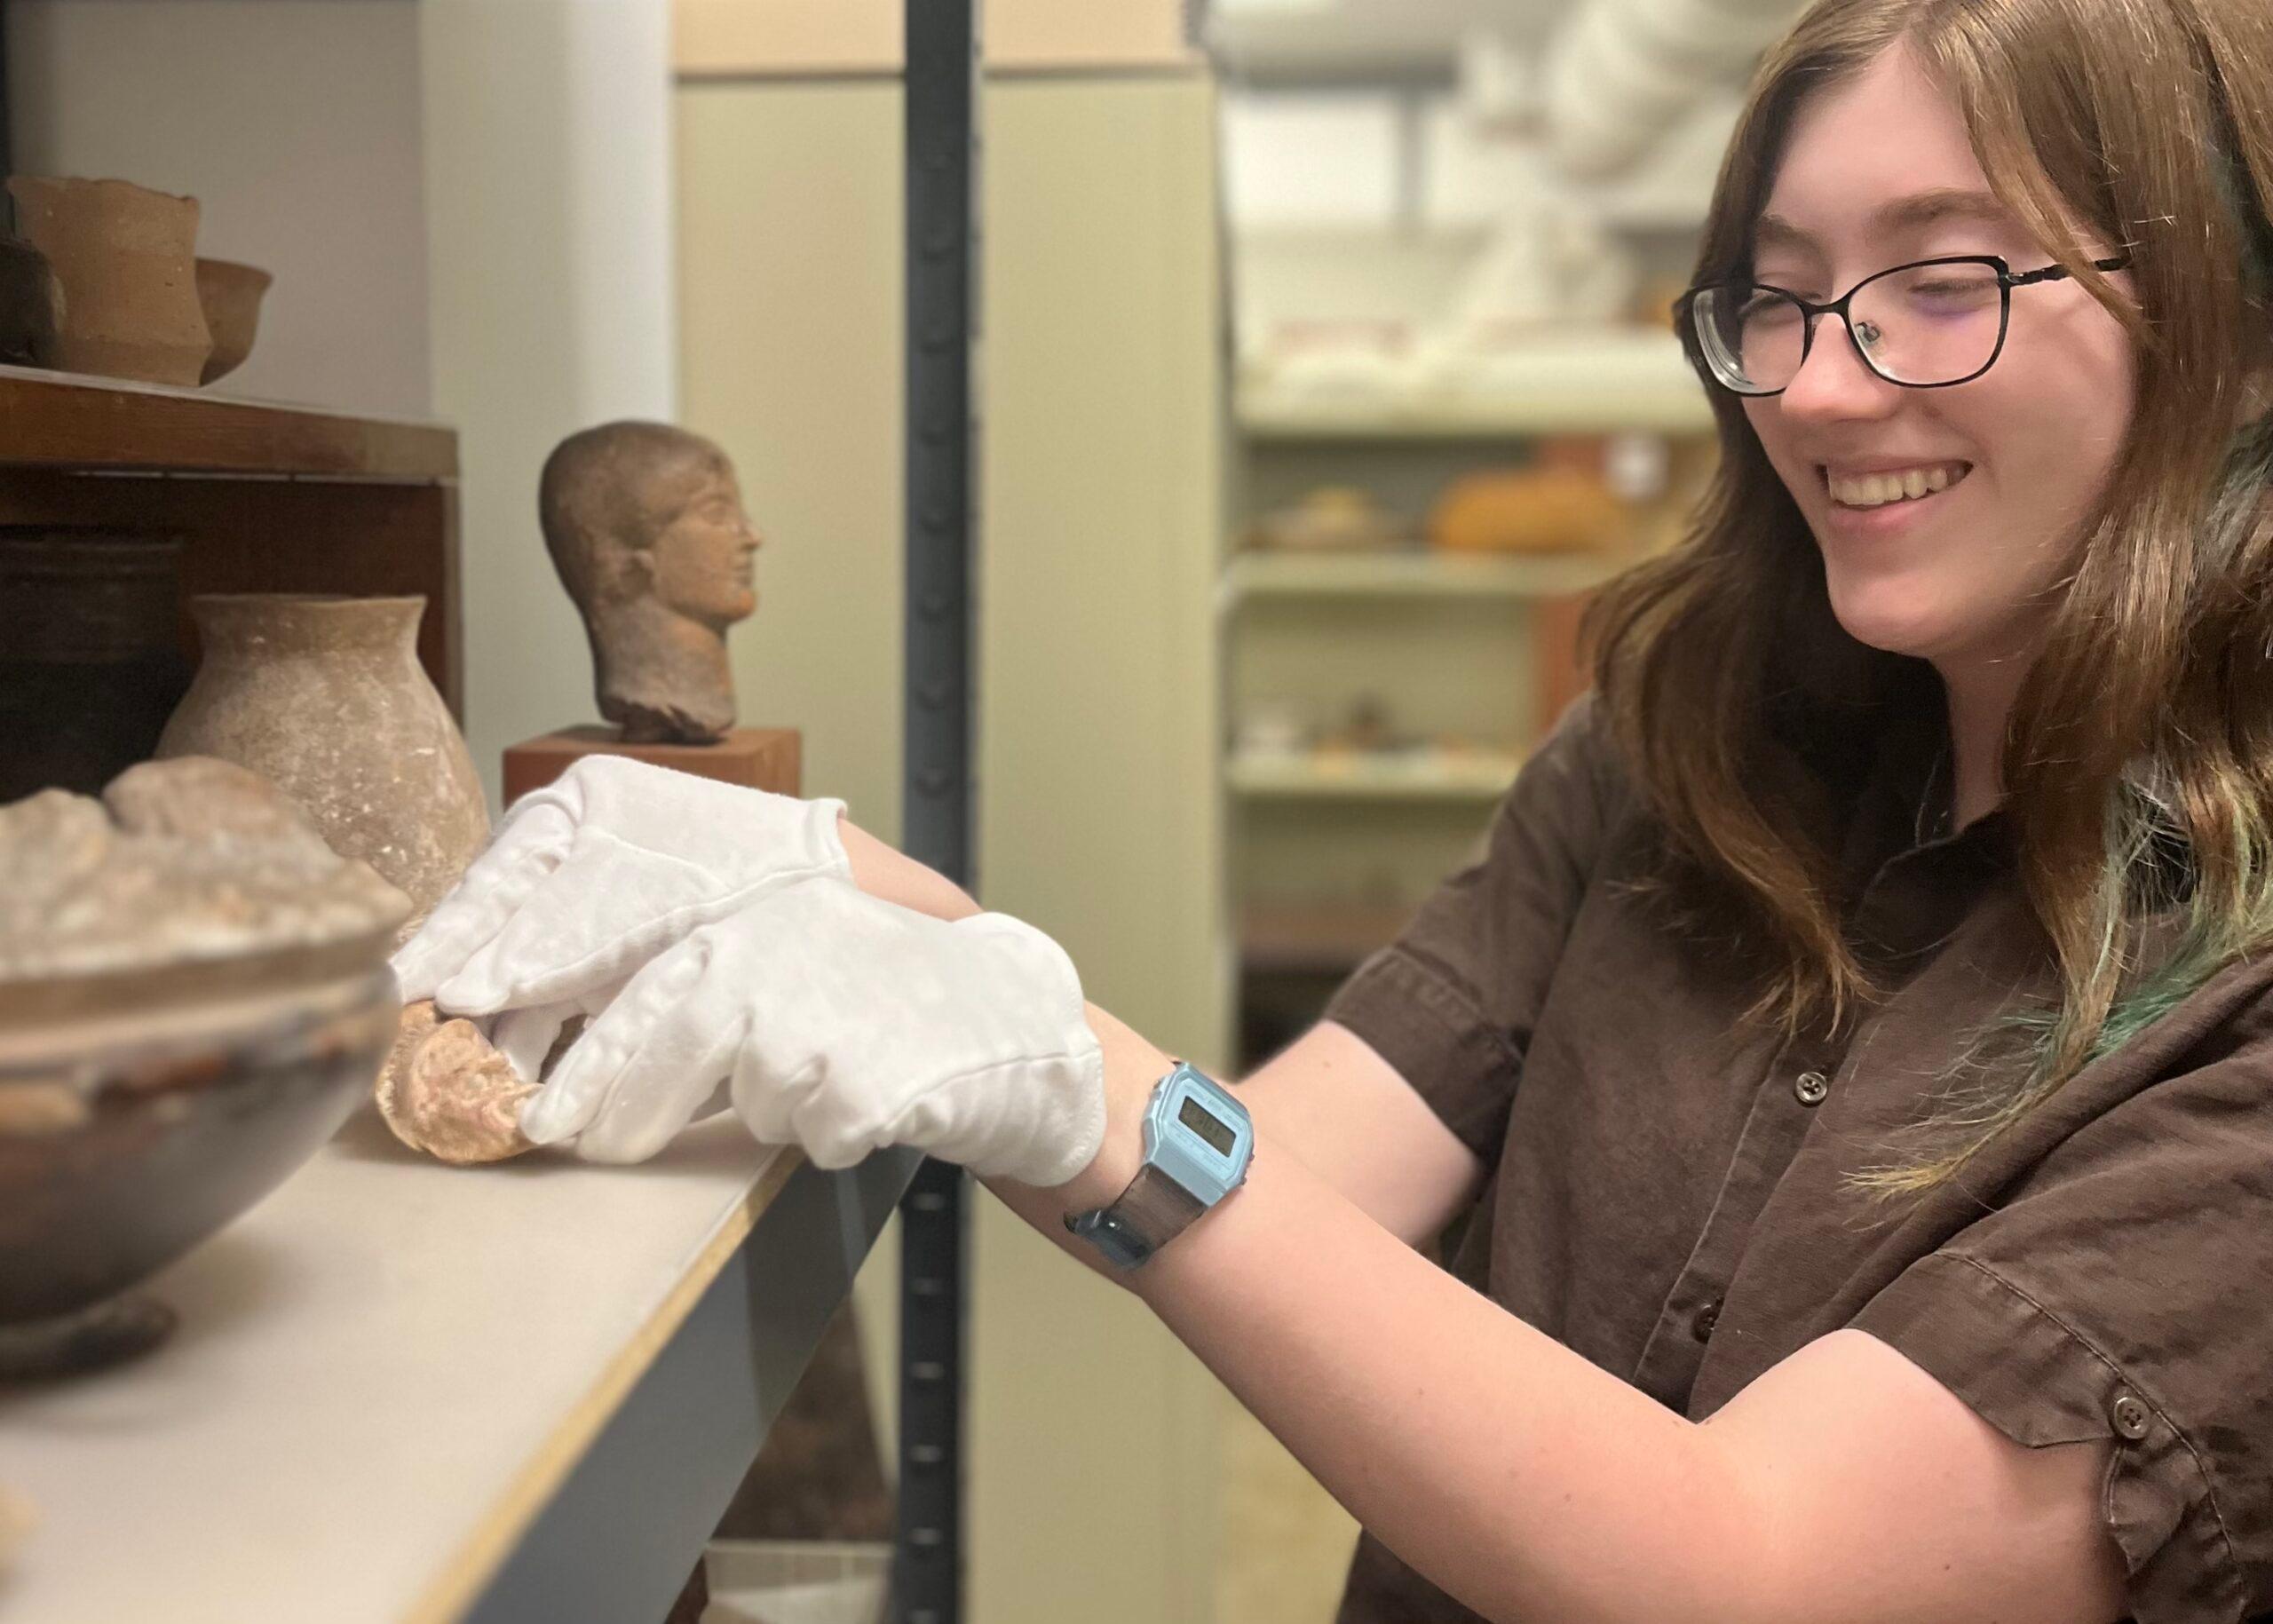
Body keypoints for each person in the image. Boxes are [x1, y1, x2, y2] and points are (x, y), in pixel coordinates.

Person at [392, 0, 2273, 1615]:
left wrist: (1079, 1091)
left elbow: (1741, 1564)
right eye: (1769, 299)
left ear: (2229, 321)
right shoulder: (1680, 748)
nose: (1820, 386)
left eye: (1940, 284)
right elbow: (1280, 1180)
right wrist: (848, 893)